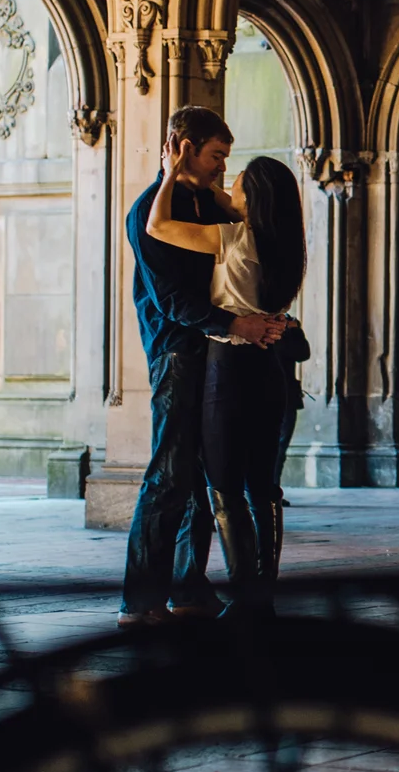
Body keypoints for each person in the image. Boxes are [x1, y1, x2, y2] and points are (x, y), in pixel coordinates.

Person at [120, 108, 285, 626]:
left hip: (211, 354)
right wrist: (236, 327)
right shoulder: (150, 209)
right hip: (176, 352)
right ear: (183, 146)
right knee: (168, 476)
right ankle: (140, 600)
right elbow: (170, 300)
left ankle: (189, 589)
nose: (222, 168)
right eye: (216, 155)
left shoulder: (207, 205)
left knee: (202, 478)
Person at [148, 150, 307, 615]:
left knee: (224, 485)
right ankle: (264, 595)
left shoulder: (232, 239)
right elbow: (230, 198)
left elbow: (158, 226)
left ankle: (244, 597)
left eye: (237, 183)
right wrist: (214, 185)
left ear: (251, 198)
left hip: (228, 368)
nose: (227, 186)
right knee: (264, 488)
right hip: (269, 370)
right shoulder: (286, 245)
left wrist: (171, 174)